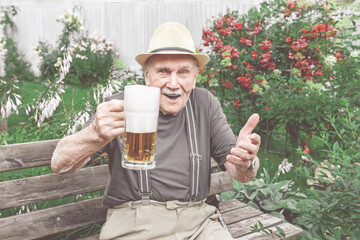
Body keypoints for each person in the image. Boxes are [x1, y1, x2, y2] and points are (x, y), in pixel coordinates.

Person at [51, 22, 261, 240]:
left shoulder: (204, 103)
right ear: (147, 76)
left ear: (195, 77)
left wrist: (247, 163)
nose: (173, 83)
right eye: (163, 71)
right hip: (135, 223)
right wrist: (94, 133)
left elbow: (240, 173)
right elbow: (59, 162)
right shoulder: (121, 105)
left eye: (184, 72)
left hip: (199, 222)